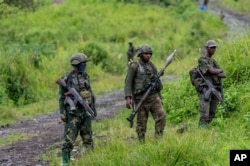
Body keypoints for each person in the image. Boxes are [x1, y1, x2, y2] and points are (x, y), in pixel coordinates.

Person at [58, 53, 96, 165]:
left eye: (85, 63)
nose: (84, 65)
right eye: (82, 64)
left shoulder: (86, 76)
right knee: (69, 140)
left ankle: (91, 160)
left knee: (88, 138)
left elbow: (91, 93)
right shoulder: (67, 78)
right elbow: (61, 97)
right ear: (76, 64)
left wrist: (93, 107)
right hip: (73, 114)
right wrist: (63, 113)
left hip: (85, 112)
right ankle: (65, 162)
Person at [124, 44, 166, 143]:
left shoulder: (151, 65)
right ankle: (141, 142)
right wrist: (128, 97)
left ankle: (159, 139)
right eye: (146, 54)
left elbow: (156, 81)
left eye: (150, 54)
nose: (148, 56)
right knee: (141, 123)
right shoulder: (134, 66)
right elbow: (128, 82)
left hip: (153, 97)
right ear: (141, 54)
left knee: (161, 116)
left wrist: (160, 97)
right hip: (140, 98)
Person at [197, 40, 226, 128]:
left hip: (215, 89)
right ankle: (201, 131)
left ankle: (206, 130)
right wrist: (218, 71)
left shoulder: (213, 61)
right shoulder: (202, 60)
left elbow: (224, 75)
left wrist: (216, 71)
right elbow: (210, 70)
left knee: (212, 113)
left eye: (214, 47)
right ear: (207, 48)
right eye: (211, 47)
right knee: (204, 113)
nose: (213, 49)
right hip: (206, 88)